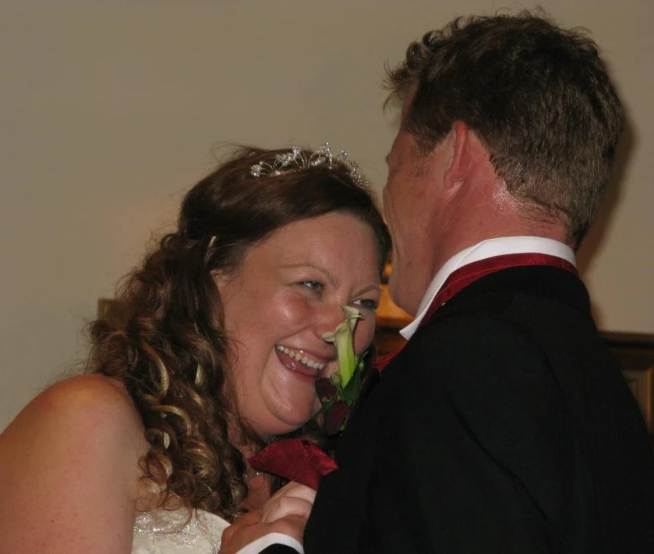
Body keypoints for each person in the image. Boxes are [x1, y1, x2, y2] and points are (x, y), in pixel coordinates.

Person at [223, 10, 654, 554]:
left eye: (397, 163)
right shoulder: (598, 385)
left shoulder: (469, 360)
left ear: (455, 157)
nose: (390, 197)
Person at [0, 144, 391, 554]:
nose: (341, 328)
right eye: (310, 284)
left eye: (363, 304)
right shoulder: (86, 420)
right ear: (215, 274)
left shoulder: (325, 474)